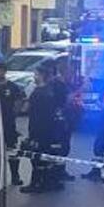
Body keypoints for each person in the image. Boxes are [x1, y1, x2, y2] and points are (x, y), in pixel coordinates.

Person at [21, 61, 69, 193]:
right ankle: (46, 182)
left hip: (38, 130)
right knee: (44, 157)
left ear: (41, 75)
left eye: (35, 74)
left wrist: (26, 98)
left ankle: (36, 183)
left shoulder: (38, 93)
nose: (34, 77)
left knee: (36, 158)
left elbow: (26, 110)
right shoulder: (49, 91)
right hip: (48, 130)